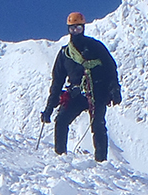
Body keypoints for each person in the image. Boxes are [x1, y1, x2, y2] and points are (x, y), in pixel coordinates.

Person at [41, 12, 121, 162]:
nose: (75, 31)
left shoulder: (95, 47)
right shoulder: (65, 54)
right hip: (76, 93)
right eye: (73, 29)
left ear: (83, 28)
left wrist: (114, 89)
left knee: (98, 125)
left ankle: (101, 162)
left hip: (97, 91)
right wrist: (49, 108)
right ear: (68, 30)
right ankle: (60, 157)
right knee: (61, 120)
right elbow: (57, 82)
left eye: (78, 28)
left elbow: (110, 69)